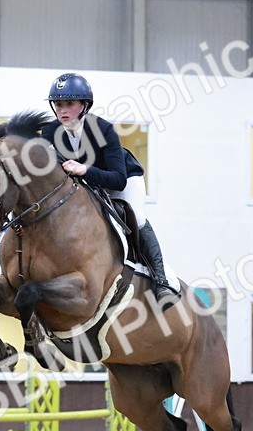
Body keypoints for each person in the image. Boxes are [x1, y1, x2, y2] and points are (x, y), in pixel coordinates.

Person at [40, 72, 178, 302]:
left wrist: (85, 170)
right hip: (86, 187)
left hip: (122, 180)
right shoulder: (49, 132)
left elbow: (118, 179)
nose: (63, 110)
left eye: (70, 104)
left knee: (138, 218)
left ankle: (161, 280)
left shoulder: (103, 129)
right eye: (59, 104)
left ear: (85, 105)